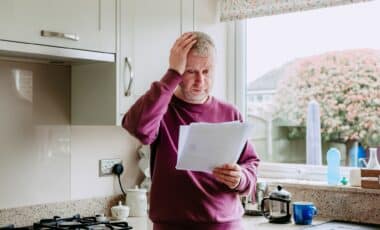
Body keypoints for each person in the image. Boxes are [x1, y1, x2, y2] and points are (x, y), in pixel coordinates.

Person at [122, 31, 260, 230]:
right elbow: (138, 128)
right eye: (190, 71)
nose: (200, 81)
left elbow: (251, 164)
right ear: (178, 71)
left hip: (225, 225)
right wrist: (172, 75)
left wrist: (241, 178)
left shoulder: (231, 113)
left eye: (206, 71)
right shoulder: (162, 109)